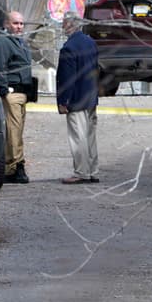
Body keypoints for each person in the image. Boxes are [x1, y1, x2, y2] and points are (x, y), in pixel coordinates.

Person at [55, 11, 100, 184]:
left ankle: (81, 172)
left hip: (75, 98)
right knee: (90, 136)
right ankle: (93, 170)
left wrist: (63, 101)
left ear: (69, 24)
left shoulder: (69, 47)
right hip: (90, 96)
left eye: (64, 23)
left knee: (78, 136)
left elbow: (67, 78)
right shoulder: (91, 43)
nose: (62, 26)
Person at [0, 10, 33, 184]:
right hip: (12, 92)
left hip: (22, 92)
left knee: (17, 131)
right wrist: (4, 90)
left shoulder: (20, 43)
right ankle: (16, 166)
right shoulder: (2, 42)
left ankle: (12, 166)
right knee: (13, 131)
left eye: (21, 23)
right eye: (15, 23)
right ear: (6, 24)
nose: (19, 27)